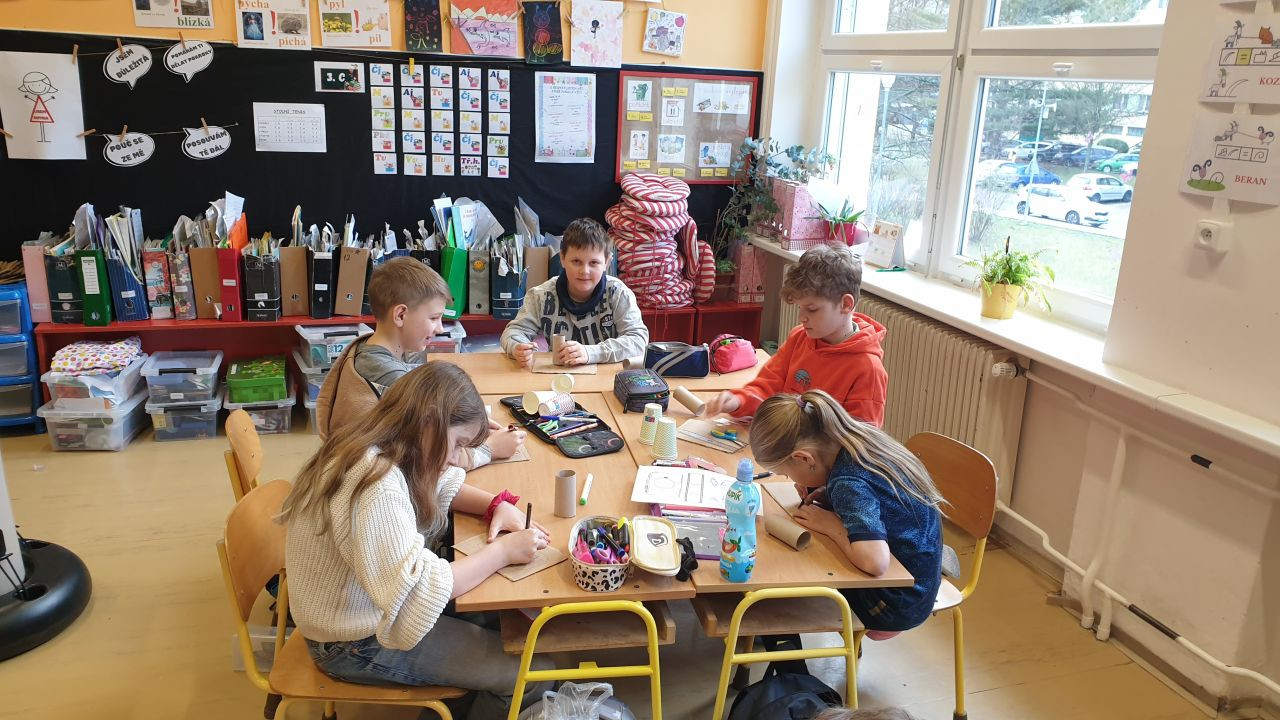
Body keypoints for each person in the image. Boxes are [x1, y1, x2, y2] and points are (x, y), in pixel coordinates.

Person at [281, 362, 553, 719]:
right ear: (428, 420)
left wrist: (494, 504)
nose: (455, 459)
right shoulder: (375, 483)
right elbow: (418, 591)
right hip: (349, 641)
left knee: (500, 619)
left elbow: (435, 483)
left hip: (358, 611)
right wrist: (502, 552)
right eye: (457, 444)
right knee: (532, 673)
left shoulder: (379, 439)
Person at [750, 390, 943, 640]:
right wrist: (830, 493)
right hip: (920, 579)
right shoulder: (858, 437)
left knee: (784, 579)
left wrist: (831, 525)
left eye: (786, 473)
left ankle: (786, 653)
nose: (789, 478)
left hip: (894, 602)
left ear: (804, 458)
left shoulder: (848, 483)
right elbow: (876, 493)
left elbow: (876, 562)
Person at [317, 257, 524, 466]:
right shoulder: (387, 376)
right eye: (434, 318)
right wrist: (489, 450)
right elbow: (430, 457)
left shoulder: (368, 351)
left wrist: (469, 422)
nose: (440, 328)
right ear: (400, 315)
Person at [704, 244, 887, 426]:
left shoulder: (868, 368)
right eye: (800, 307)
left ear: (846, 304)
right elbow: (767, 388)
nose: (801, 317)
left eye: (812, 309)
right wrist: (739, 401)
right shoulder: (799, 337)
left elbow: (859, 439)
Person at [500, 218, 648, 367]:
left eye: (594, 263)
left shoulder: (618, 293)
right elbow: (514, 331)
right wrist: (517, 347)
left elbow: (638, 340)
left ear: (607, 262)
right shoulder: (540, 295)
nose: (584, 271)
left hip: (606, 376)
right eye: (576, 261)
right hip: (558, 376)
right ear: (562, 259)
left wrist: (591, 353)